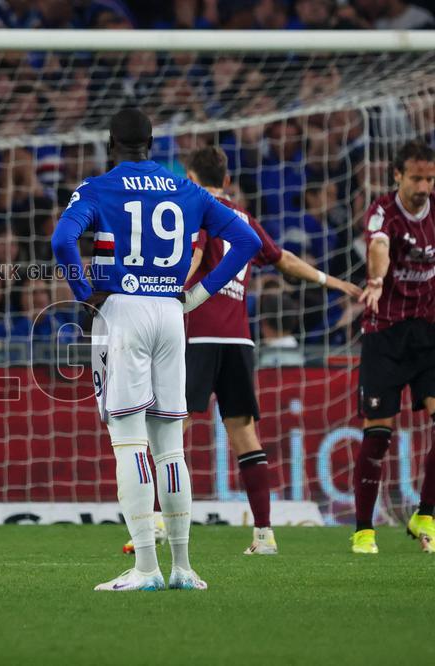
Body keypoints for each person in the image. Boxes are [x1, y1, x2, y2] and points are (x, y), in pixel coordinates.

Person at [52, 108, 262, 592]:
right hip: (171, 313)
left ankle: (146, 568)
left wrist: (83, 293)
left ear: (112, 144)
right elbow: (246, 240)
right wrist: (198, 294)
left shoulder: (98, 188)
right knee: (171, 447)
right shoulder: (187, 190)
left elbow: (63, 240)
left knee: (129, 440)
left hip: (122, 310)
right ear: (151, 144)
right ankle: (183, 567)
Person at [179, 146, 360, 555]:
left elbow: (193, 258)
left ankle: (156, 523)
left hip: (199, 335)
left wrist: (169, 293)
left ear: (191, 179)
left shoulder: (197, 211)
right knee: (245, 435)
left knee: (173, 429)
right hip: (239, 340)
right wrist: (332, 281)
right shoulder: (244, 218)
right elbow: (283, 259)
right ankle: (263, 535)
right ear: (227, 180)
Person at [351, 140, 435, 555]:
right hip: (384, 333)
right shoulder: (382, 211)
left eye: (430, 178)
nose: (424, 187)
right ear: (398, 175)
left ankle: (426, 514)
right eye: (416, 178)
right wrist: (377, 280)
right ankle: (363, 530)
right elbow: (379, 247)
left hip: (428, 333)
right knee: (378, 434)